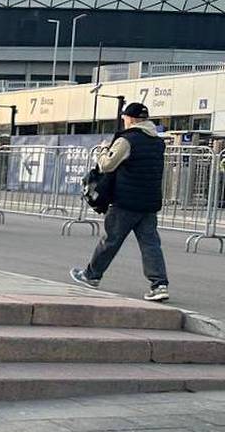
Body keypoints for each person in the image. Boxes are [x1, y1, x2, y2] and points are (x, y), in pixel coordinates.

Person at [70, 102, 170, 301]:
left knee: (110, 240)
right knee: (150, 244)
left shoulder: (127, 140)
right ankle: (159, 285)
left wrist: (103, 151)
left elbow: (107, 165)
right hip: (149, 201)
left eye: (125, 118)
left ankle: (92, 275)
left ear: (130, 119)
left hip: (125, 200)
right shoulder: (157, 141)